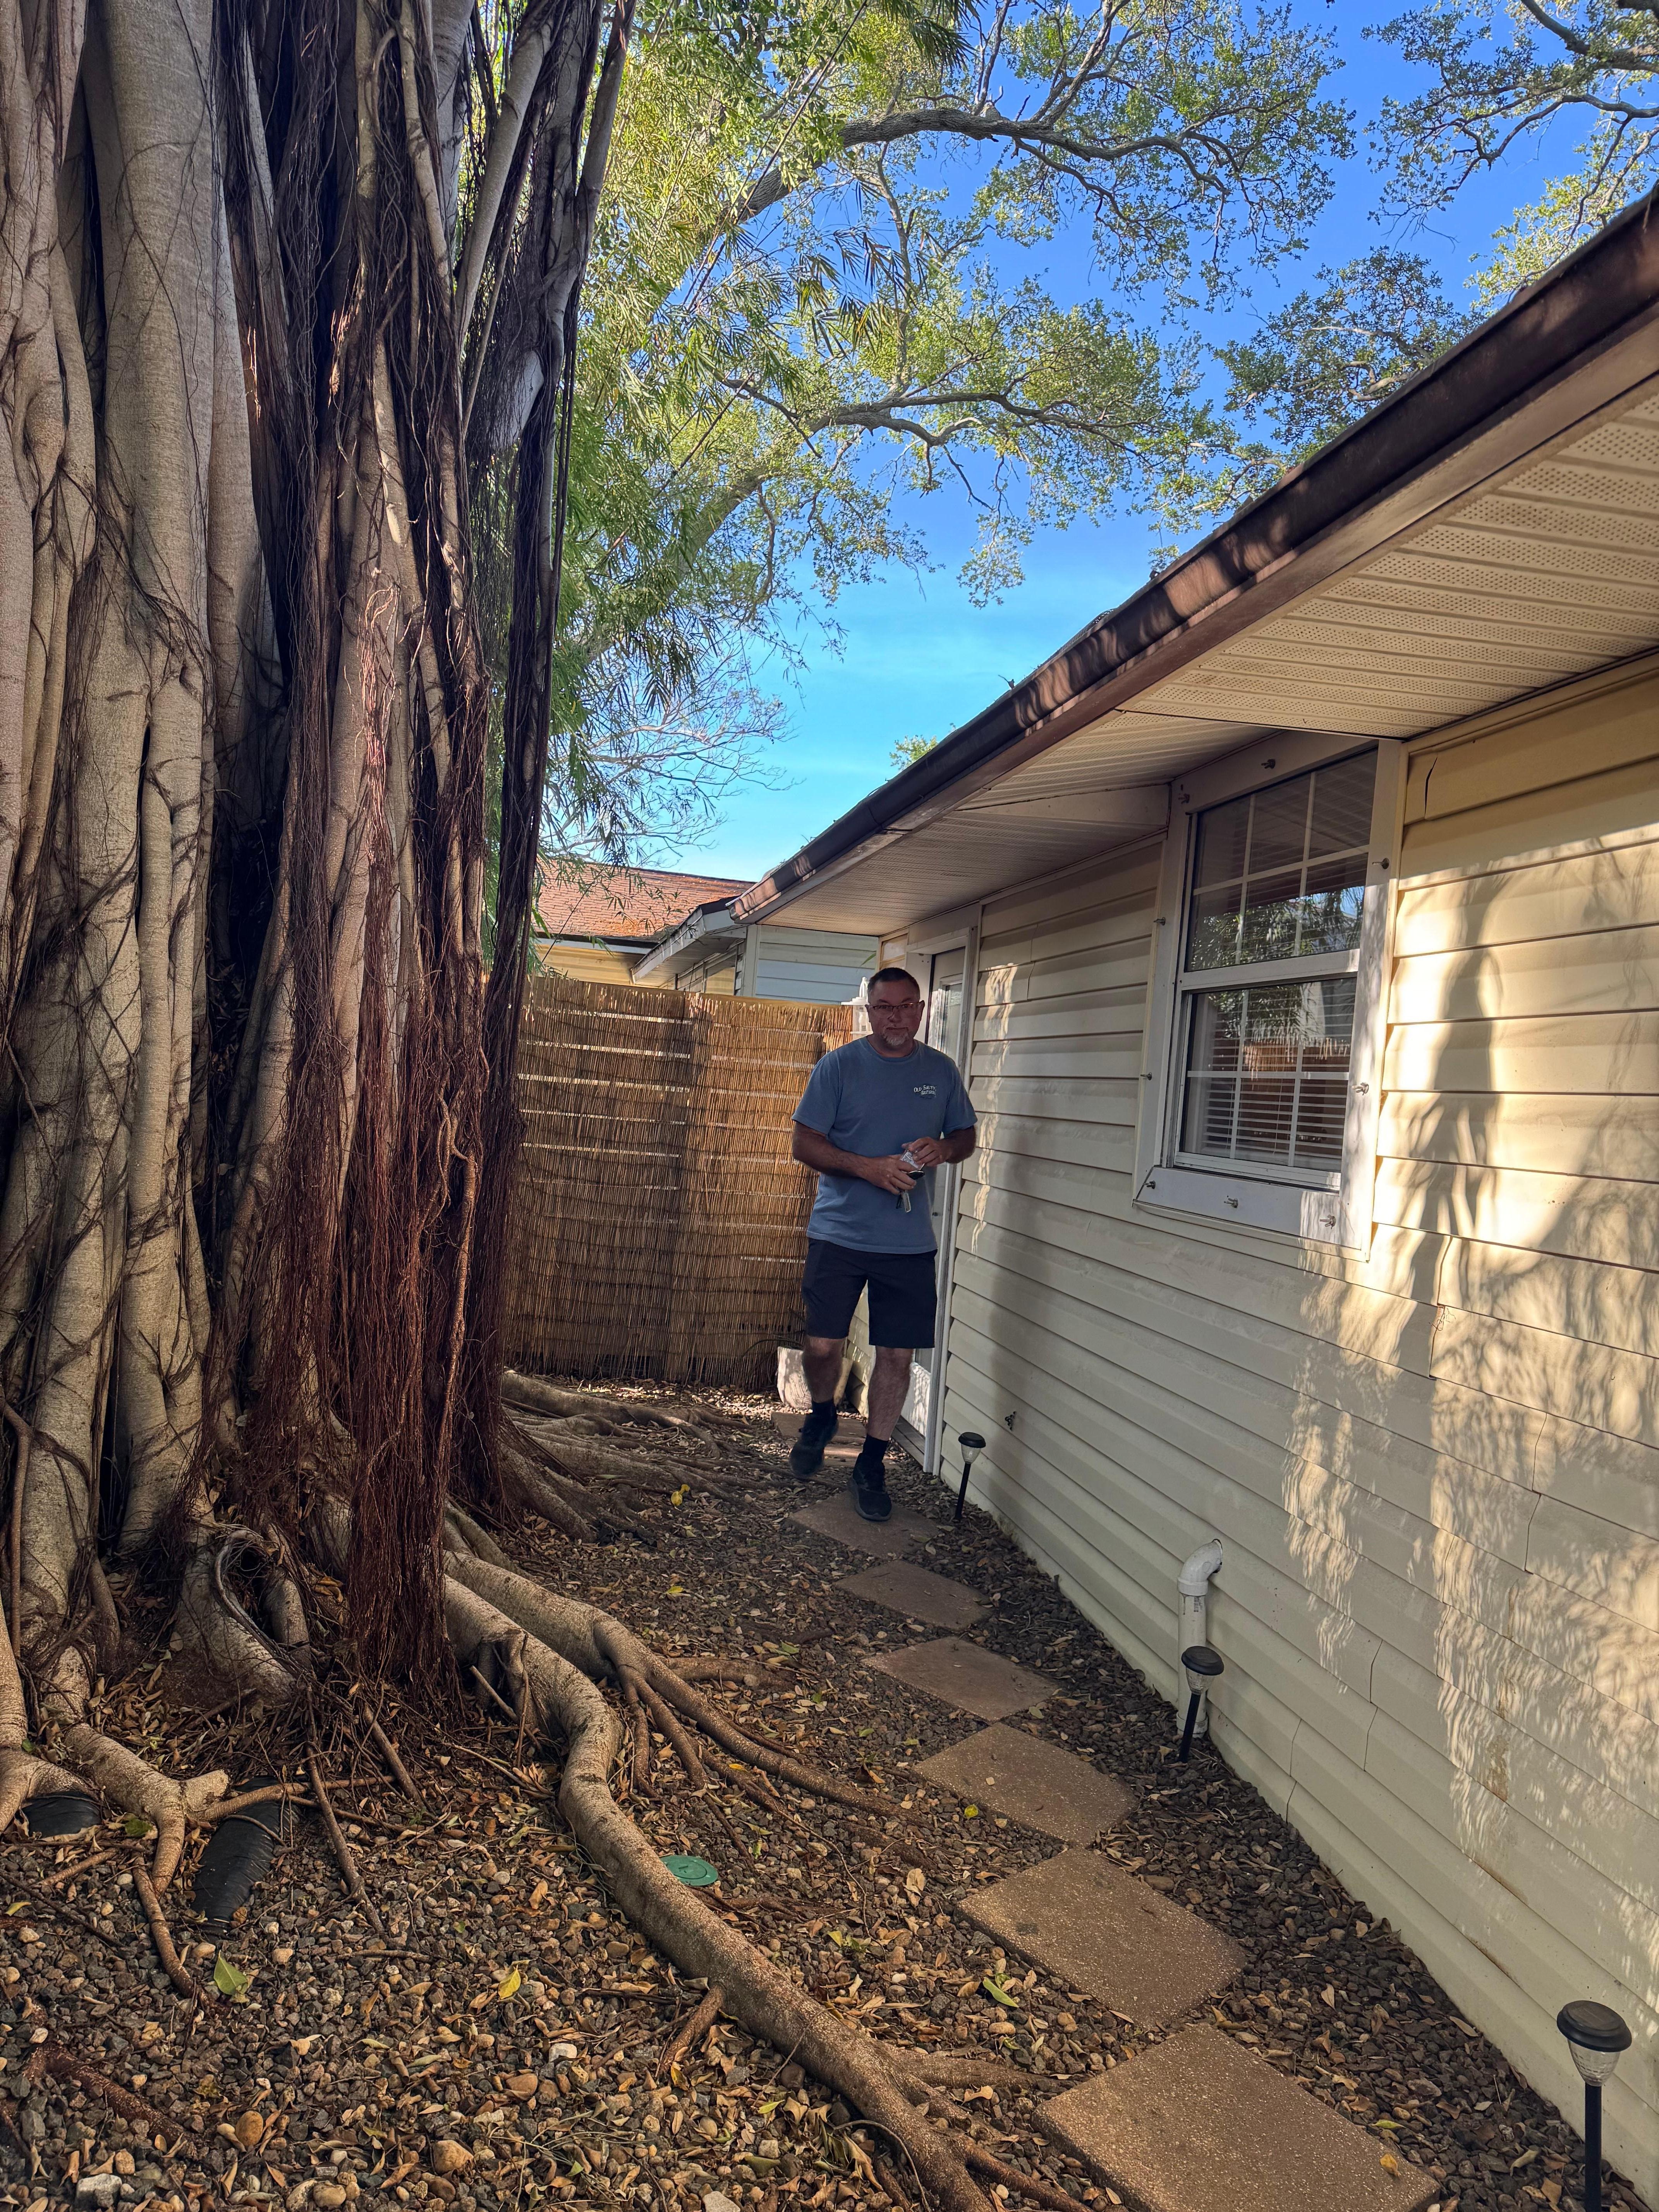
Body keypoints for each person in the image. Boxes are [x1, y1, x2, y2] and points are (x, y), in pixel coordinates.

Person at [787, 966, 977, 1520]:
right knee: (823, 1347)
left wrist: (945, 1147)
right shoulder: (840, 1066)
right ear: (869, 1011)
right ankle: (822, 1413)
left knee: (896, 1355)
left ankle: (871, 1461)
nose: (896, 1017)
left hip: (908, 1242)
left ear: (920, 1010)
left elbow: (966, 1135)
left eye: (906, 1006)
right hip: (839, 1234)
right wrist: (868, 1168)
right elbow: (804, 1142)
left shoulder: (941, 1072)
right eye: (884, 1007)